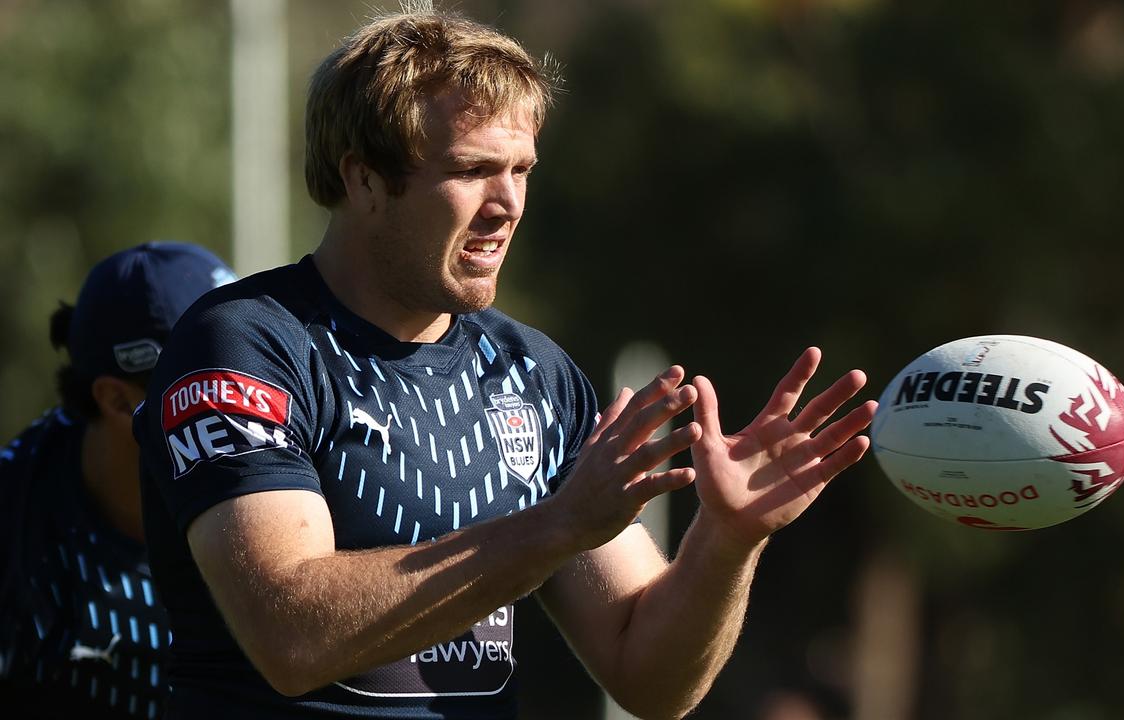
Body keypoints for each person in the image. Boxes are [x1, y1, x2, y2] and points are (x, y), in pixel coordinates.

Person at [133, 6, 878, 719]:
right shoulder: (247, 346)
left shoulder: (532, 374)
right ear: (362, 179)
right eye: (472, 170)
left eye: (521, 169)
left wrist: (726, 540)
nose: (507, 203)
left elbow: (649, 677)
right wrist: (554, 527)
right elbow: (291, 635)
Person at [0, 242, 236, 719]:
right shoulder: (17, 521)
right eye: (201, 387)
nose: (241, 406)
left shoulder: (304, 456)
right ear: (115, 399)